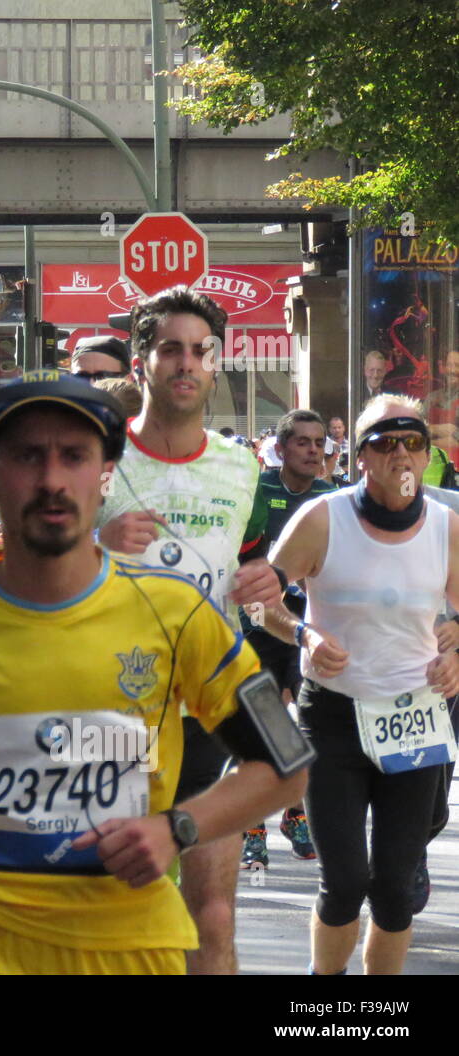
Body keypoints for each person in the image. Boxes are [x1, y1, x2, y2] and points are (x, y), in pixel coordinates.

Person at [0, 371, 307, 975]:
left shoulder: (178, 613)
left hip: (134, 948)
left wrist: (179, 826)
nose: (51, 480)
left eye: (74, 456)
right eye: (26, 456)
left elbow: (286, 761)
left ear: (105, 474)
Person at [97, 285, 282, 975]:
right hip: (111, 712)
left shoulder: (241, 466)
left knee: (213, 920)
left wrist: (268, 590)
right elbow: (14, 564)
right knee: (115, 921)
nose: (186, 362)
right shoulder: (97, 456)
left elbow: (250, 579)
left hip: (211, 706)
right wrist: (98, 542)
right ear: (142, 358)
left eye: (199, 351)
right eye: (170, 348)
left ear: (216, 362)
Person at [261, 394, 459, 975]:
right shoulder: (324, 518)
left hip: (414, 719)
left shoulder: (447, 527)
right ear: (359, 457)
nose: (400, 453)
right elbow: (264, 601)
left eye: (412, 442)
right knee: (344, 881)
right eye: (383, 441)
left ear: (427, 456)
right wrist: (303, 636)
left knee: (396, 889)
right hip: (336, 717)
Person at [239, 409, 337, 867]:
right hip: (259, 623)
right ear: (281, 449)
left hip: (307, 628)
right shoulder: (260, 489)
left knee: (308, 724)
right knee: (264, 722)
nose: (314, 451)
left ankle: (294, 814)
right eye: (303, 443)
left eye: (319, 443)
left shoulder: (330, 496)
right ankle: (253, 826)